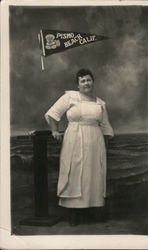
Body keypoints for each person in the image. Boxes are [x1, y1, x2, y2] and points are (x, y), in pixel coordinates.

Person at [45, 69, 114, 226]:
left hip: (95, 142)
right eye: (82, 81)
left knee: (94, 174)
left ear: (93, 82)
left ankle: (92, 209)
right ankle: (73, 213)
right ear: (78, 84)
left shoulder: (100, 103)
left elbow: (105, 125)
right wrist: (54, 131)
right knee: (75, 172)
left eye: (89, 80)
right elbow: (52, 114)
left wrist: (105, 144)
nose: (86, 83)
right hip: (74, 139)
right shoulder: (70, 97)